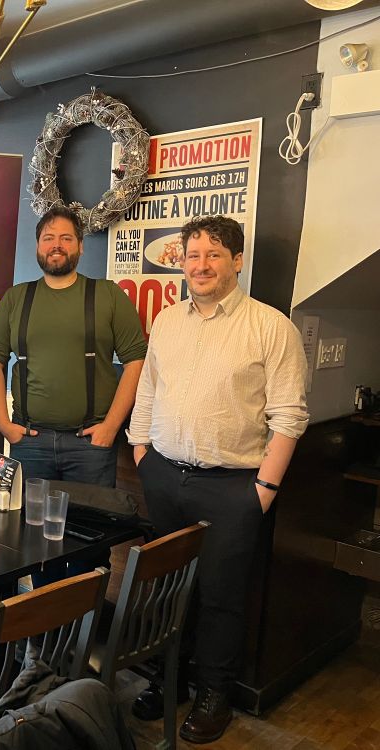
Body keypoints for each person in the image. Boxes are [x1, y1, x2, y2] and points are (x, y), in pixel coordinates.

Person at [127, 215, 308, 744]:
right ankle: (168, 680)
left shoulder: (271, 326)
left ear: (236, 260)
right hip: (162, 475)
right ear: (180, 262)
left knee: (221, 597)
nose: (200, 265)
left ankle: (213, 695)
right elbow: (148, 392)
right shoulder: (166, 320)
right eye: (192, 255)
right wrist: (141, 453)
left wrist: (264, 491)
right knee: (166, 587)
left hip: (234, 487)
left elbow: (290, 416)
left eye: (213, 254)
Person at [0, 205, 147, 489]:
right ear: (38, 246)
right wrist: (3, 425)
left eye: (66, 238)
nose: (56, 245)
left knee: (89, 529)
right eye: (48, 238)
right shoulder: (16, 298)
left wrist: (111, 427)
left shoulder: (108, 295)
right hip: (29, 442)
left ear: (81, 247)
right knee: (27, 530)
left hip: (90, 445)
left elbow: (137, 361)